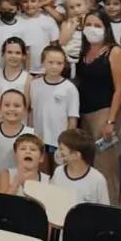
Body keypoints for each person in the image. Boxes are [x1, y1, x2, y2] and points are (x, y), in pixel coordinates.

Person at [77, 10, 121, 204]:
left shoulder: (114, 52)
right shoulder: (84, 52)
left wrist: (110, 121)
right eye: (88, 25)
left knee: (105, 167)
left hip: (105, 114)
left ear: (106, 28)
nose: (92, 29)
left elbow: (120, 89)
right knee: (86, 164)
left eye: (97, 25)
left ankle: (109, 208)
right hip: (84, 115)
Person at [30, 44, 80, 172]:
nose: (54, 66)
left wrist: (68, 142)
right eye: (50, 62)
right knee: (42, 174)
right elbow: (31, 111)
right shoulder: (34, 85)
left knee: (60, 173)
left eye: (59, 63)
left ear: (64, 65)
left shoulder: (69, 88)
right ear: (43, 62)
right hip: (39, 138)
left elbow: (72, 117)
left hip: (59, 141)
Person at [51, 128, 109, 205]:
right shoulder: (58, 172)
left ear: (76, 155)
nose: (59, 152)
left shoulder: (98, 180)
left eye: (61, 149)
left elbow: (104, 208)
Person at [0, 89, 34, 177]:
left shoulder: (32, 135)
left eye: (17, 105)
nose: (11, 109)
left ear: (24, 109)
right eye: (7, 105)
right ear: (0, 108)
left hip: (17, 183)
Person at [0, 37, 30, 120]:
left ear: (24, 56)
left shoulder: (28, 78)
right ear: (3, 54)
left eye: (18, 53)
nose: (13, 56)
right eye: (9, 52)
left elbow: (26, 106)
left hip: (20, 123)